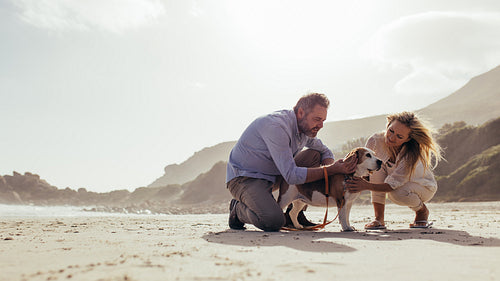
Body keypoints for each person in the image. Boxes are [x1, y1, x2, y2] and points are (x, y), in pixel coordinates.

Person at [226, 93, 357, 231]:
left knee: (315, 154)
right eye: (317, 119)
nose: (321, 125)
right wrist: (331, 170)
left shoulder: (305, 129)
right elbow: (291, 176)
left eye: (323, 120)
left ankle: (294, 214)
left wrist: (330, 173)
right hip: (245, 178)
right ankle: (237, 210)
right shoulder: (277, 126)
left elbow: (325, 152)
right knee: (273, 221)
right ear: (301, 112)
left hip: (275, 174)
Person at [345, 111, 443, 229]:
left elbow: (392, 185)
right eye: (391, 131)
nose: (391, 138)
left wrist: (365, 185)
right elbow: (364, 168)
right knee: (376, 167)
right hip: (394, 183)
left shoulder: (411, 154)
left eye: (399, 136)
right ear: (388, 125)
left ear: (408, 139)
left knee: (396, 194)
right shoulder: (375, 141)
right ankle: (379, 219)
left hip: (422, 187)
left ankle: (422, 211)